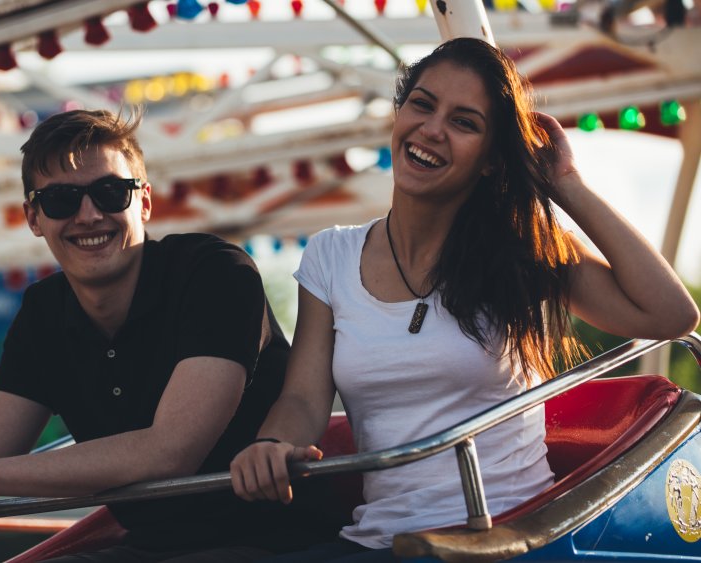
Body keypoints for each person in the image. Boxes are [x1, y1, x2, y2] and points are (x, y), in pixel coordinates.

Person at [229, 37, 700, 562]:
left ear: (492, 162)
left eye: (464, 122)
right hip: (386, 540)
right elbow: (303, 399)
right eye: (422, 105)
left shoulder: (524, 249)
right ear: (399, 113)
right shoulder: (329, 256)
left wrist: (566, 184)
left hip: (510, 535)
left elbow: (672, 315)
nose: (432, 130)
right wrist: (271, 445)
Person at [0, 109, 333, 562]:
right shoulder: (44, 312)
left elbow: (170, 451)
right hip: (149, 546)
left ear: (143, 202)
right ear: (34, 218)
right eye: (61, 200)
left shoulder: (214, 274)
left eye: (109, 192)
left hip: (274, 542)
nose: (87, 215)